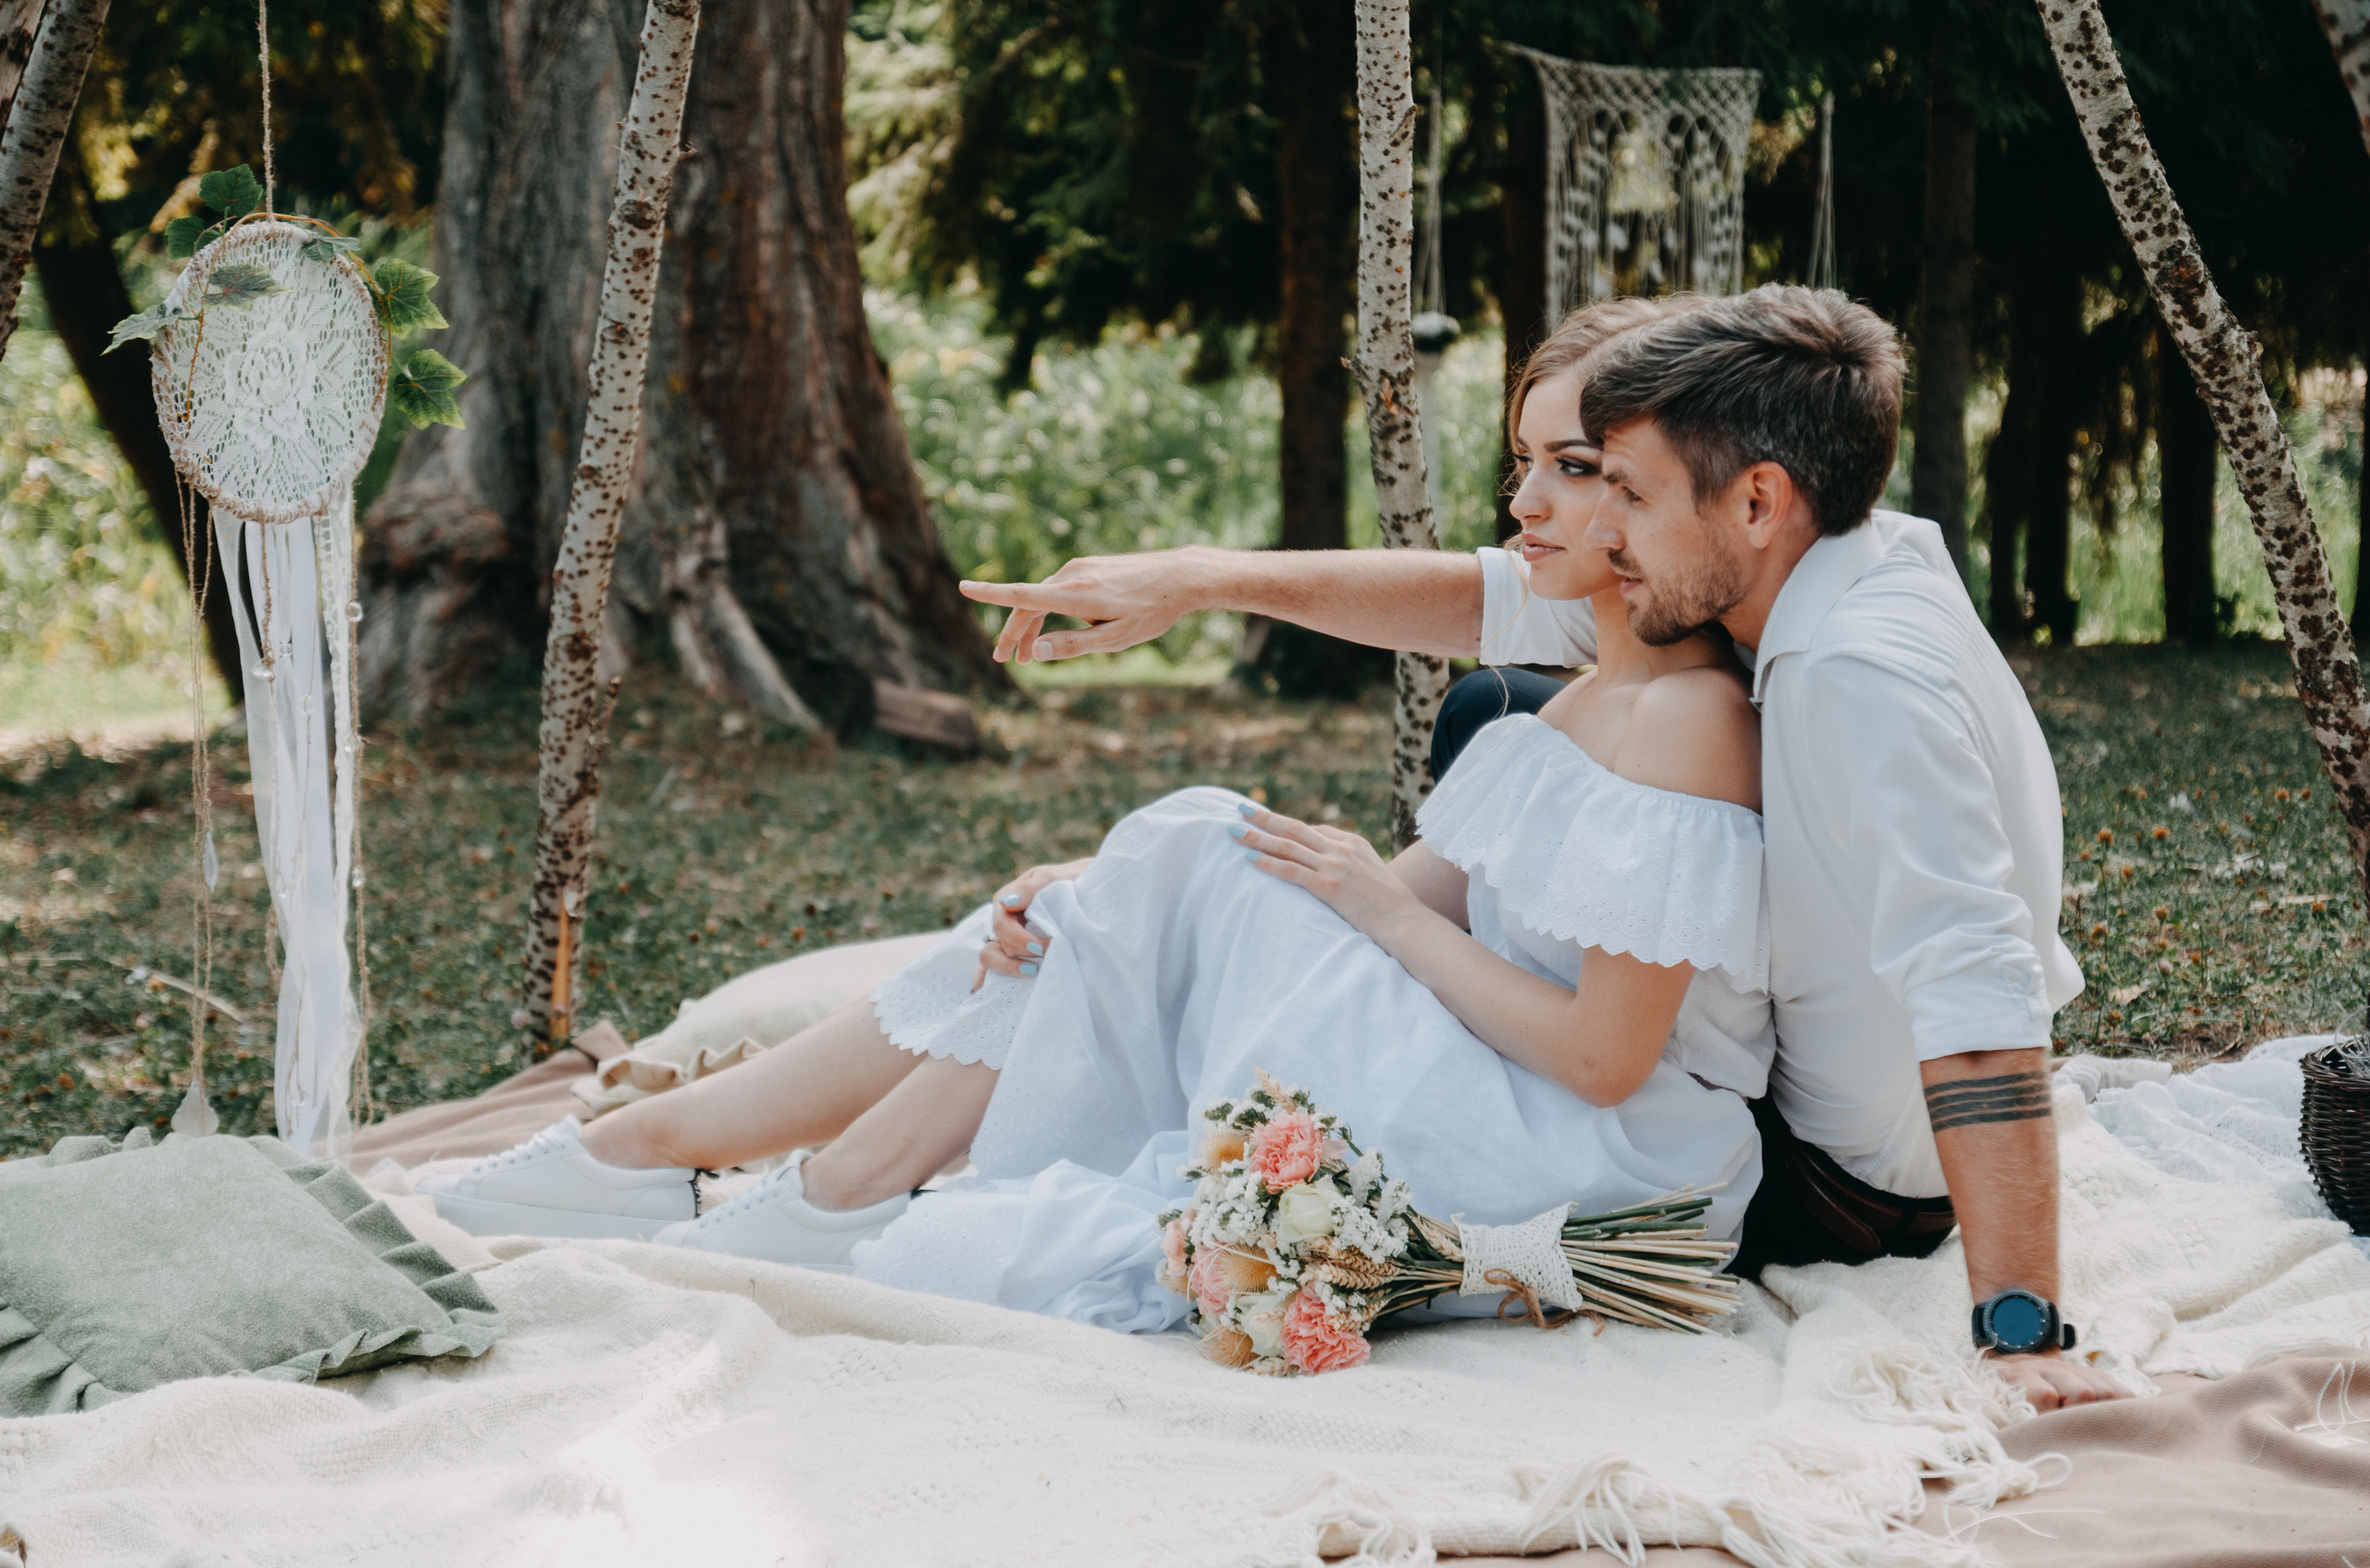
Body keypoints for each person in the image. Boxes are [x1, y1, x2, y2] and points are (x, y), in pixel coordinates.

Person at [423, 299, 1778, 1333]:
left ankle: (771, 1176)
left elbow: (1601, 1058)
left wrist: (1338, 898)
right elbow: (1422, 895)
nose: (1525, 502)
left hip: (1575, 1138)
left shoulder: (1688, 722)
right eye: (1526, 460)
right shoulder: (1588, 695)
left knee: (1185, 847)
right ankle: (717, 1163)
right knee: (1157, 863)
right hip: (1480, 1061)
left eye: (1579, 466)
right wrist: (1110, 893)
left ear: (1672, 490)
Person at [948, 286, 2126, 1412]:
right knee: (1480, 722)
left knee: (1426, 824)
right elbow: (1478, 600)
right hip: (1752, 1078)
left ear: (1756, 498)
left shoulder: (1855, 676)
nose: (1599, 531)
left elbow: (1979, 987)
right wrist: (1204, 583)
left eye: (1625, 493)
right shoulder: (1811, 554)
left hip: (1828, 1180)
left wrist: (2018, 1325)